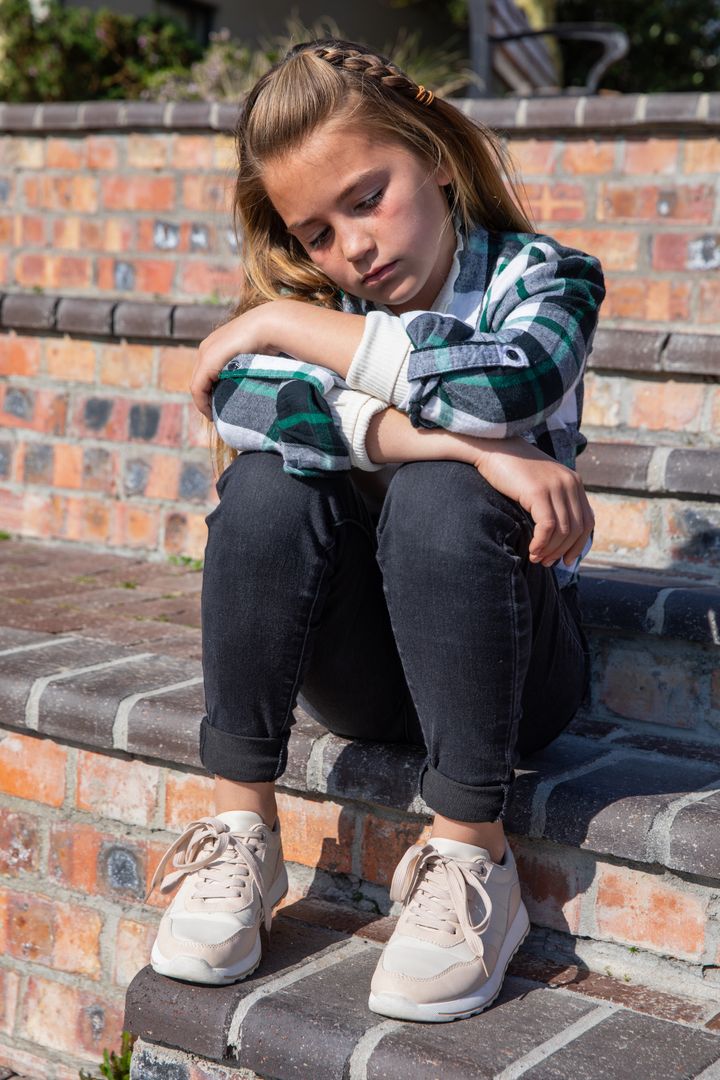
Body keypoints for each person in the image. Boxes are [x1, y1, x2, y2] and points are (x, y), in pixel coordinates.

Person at [146, 38, 605, 1024]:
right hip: (363, 670)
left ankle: (472, 856)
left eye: (366, 198)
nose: (349, 248)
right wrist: (474, 449)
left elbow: (508, 379)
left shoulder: (546, 277)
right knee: (271, 486)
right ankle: (241, 831)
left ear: (435, 155)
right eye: (313, 234)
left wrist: (286, 325)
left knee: (441, 498)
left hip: (517, 671)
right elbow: (247, 407)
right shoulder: (328, 297)